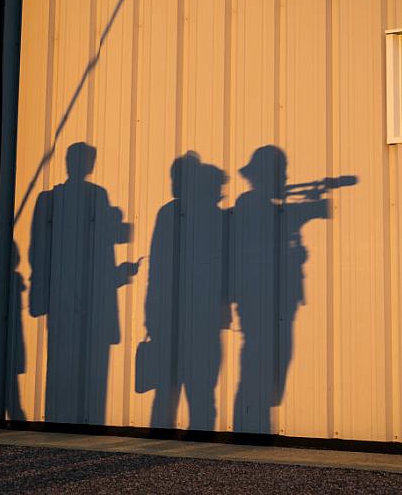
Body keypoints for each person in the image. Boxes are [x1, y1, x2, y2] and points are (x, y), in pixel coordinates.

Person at [28, 143, 139, 424]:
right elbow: (100, 246)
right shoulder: (94, 196)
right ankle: (86, 415)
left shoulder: (56, 199)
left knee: (62, 353)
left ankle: (57, 415)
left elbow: (36, 250)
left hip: (64, 289)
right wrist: (119, 272)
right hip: (82, 291)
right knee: (91, 358)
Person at [230, 146, 329, 433]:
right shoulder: (250, 203)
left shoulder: (272, 206)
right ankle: (250, 424)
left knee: (274, 354)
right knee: (258, 355)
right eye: (279, 172)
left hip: (278, 295)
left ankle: (258, 419)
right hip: (256, 294)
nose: (283, 177)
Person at [143, 152, 230, 430]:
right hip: (192, 314)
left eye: (177, 177)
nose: (173, 182)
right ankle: (198, 443)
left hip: (181, 313)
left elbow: (157, 269)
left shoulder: (172, 214)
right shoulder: (208, 216)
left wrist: (152, 313)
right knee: (198, 387)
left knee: (172, 387)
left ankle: (165, 444)